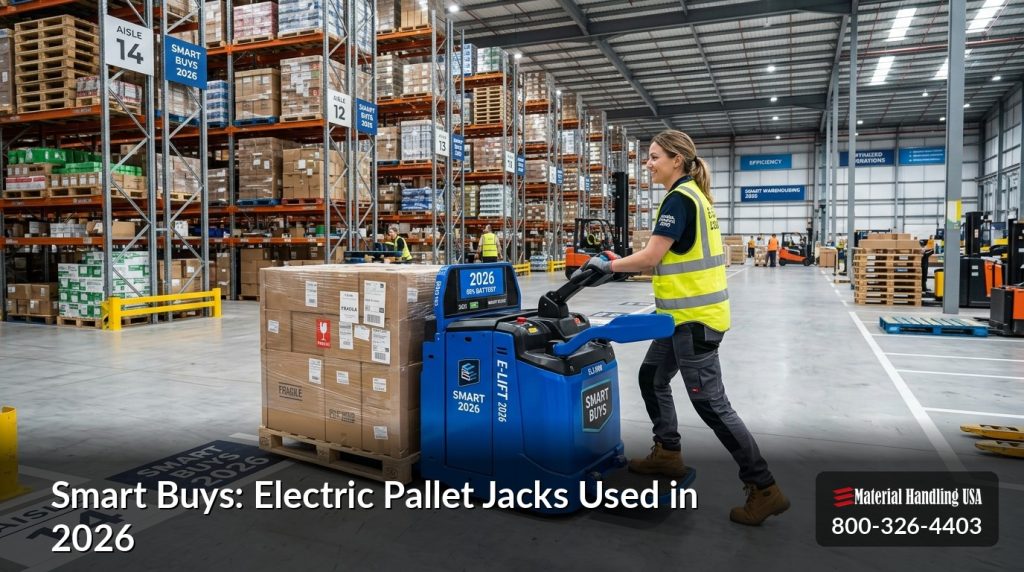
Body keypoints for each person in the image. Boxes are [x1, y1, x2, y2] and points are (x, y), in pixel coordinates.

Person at [576, 130, 789, 526]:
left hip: (695, 323)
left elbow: (653, 257)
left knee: (711, 404)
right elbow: (665, 254)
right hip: (681, 320)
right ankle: (668, 453)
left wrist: (608, 266)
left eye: (654, 156)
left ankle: (764, 488)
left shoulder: (679, 199)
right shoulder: (695, 196)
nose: (648, 162)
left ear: (677, 159)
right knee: (651, 376)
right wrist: (618, 260)